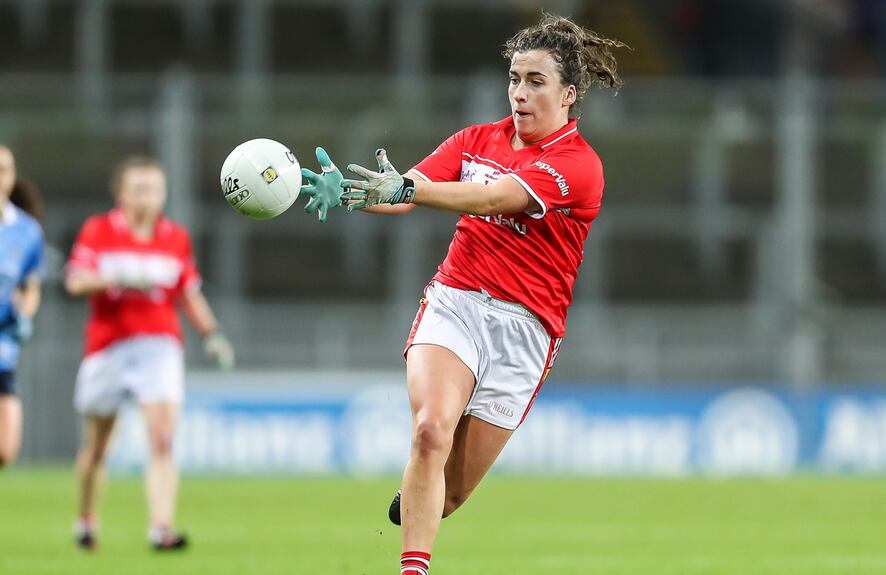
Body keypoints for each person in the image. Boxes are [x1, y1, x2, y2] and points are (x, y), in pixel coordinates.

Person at [299, 14, 626, 575]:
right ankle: (413, 569)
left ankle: (422, 496)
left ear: (569, 94)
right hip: (457, 302)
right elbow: (401, 194)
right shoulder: (475, 140)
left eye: (535, 81)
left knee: (448, 497)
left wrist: (412, 188)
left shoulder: (580, 165)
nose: (519, 92)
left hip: (527, 332)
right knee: (430, 430)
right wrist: (354, 194)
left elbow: (497, 199)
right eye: (514, 78)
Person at [64, 156, 235, 551]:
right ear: (121, 194)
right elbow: (75, 281)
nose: (148, 198)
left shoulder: (175, 238)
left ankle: (161, 528)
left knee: (161, 438)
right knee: (97, 446)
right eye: (139, 189)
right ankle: (86, 518)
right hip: (108, 346)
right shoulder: (99, 230)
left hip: (159, 345)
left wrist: (211, 334)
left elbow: (188, 293)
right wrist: (115, 278)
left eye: (155, 190)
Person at [0, 145, 44, 469]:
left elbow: (31, 286)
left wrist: (25, 315)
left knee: (6, 450)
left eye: (5, 169)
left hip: (3, 342)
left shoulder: (27, 231)